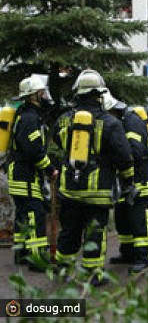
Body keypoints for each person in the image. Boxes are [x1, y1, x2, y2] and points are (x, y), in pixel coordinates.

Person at [53, 69, 135, 286]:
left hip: (69, 188)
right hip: (97, 191)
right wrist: (128, 181)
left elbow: (58, 142)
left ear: (77, 94)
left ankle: (63, 268)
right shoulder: (111, 123)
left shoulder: (63, 121)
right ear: (99, 95)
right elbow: (124, 157)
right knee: (95, 233)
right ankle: (92, 274)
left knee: (69, 230)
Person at [7, 75, 57, 271]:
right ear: (34, 96)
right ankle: (38, 261)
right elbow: (34, 151)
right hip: (25, 177)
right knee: (35, 216)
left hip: (20, 175)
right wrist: (50, 168)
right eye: (42, 93)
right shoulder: (30, 118)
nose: (45, 96)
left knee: (23, 216)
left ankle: (22, 254)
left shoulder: (25, 114)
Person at [103, 92, 148, 274]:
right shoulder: (120, 121)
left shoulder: (132, 122)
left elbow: (135, 150)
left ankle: (145, 257)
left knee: (139, 218)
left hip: (140, 178)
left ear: (113, 110)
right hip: (126, 180)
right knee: (122, 216)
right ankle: (127, 252)